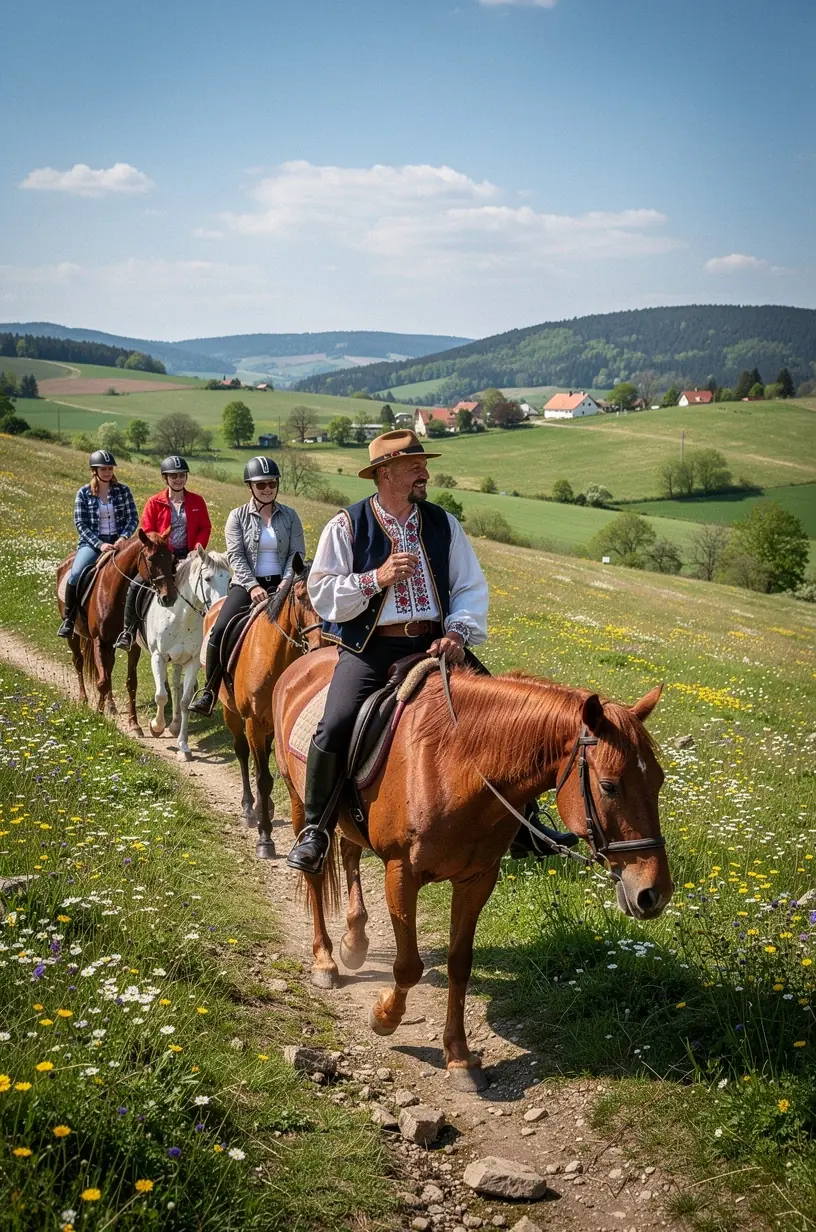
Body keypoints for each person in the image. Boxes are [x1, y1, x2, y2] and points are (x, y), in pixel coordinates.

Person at [286, 429, 488, 874]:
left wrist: (457, 633)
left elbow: (470, 586)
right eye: (415, 466)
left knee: (499, 717)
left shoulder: (442, 523)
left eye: (423, 464)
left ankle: (525, 826)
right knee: (335, 724)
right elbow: (322, 593)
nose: (425, 473)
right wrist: (375, 578)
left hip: (438, 644)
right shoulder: (347, 525)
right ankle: (316, 829)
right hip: (370, 648)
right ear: (384, 473)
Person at [189, 456, 306, 716]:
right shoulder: (237, 517)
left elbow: (296, 555)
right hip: (245, 585)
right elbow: (236, 556)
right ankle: (209, 691)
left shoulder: (290, 516)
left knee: (310, 627)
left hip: (283, 585)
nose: (267, 489)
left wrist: (287, 582)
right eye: (261, 484)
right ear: (250, 487)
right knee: (219, 629)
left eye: (271, 484)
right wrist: (252, 586)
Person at [114, 455, 212, 651]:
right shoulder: (154, 502)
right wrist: (162, 548)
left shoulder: (197, 501)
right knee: (136, 585)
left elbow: (205, 527)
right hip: (162, 556)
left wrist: (196, 550)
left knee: (208, 582)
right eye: (173, 476)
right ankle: (128, 632)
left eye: (182, 475)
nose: (178, 479)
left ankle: (209, 630)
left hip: (189, 555)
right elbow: (148, 530)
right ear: (165, 478)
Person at [57, 450, 139, 639]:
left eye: (110, 468)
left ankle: (135, 623)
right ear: (95, 470)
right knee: (76, 574)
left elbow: (133, 518)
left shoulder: (123, 490)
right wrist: (99, 544)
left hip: (119, 542)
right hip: (92, 543)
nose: (108, 472)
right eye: (104, 469)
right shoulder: (84, 493)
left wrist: (123, 538)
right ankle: (69, 620)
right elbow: (80, 523)